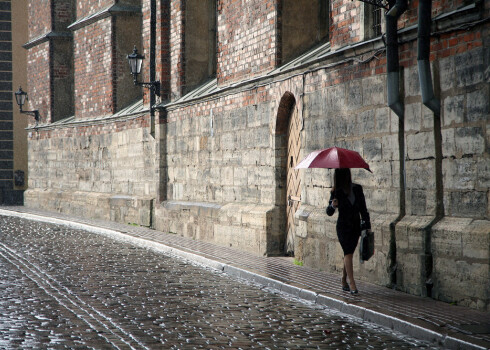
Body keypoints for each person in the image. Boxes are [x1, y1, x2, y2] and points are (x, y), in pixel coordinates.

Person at [326, 168, 371, 295]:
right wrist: (333, 205)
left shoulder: (357, 189)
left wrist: (367, 224)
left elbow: (363, 209)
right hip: (343, 227)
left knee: (349, 253)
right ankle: (352, 283)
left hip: (355, 226)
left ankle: (343, 280)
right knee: (348, 252)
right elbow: (329, 212)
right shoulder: (336, 192)